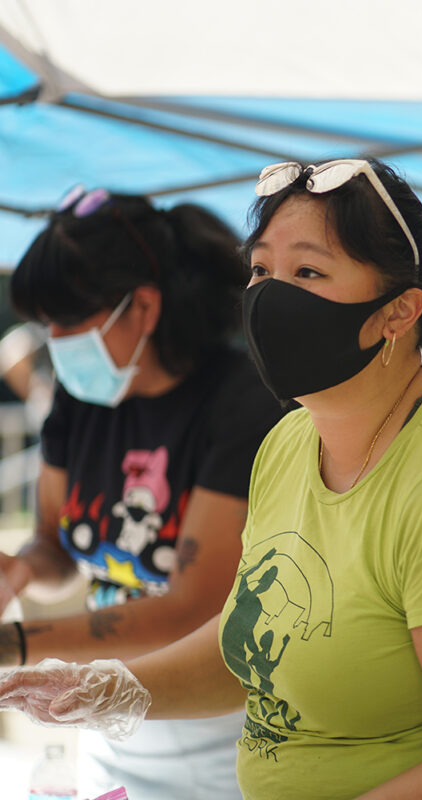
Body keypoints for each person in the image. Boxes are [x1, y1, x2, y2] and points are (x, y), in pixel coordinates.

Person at [0, 158, 422, 800]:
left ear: (400, 312)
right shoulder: (291, 441)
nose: (268, 296)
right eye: (261, 270)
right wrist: (114, 689)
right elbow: (256, 645)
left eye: (308, 271)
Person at [0, 188, 284, 799]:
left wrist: (17, 644)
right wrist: (18, 572)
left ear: (143, 307)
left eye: (69, 320)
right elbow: (56, 549)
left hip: (227, 728)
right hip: (112, 722)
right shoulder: (81, 402)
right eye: (45, 321)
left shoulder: (238, 401)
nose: (54, 337)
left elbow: (194, 606)